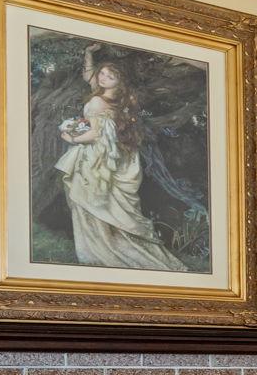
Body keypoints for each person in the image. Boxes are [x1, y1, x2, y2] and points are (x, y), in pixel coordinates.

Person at [53, 45, 187, 271]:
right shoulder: (117, 99)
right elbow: (90, 76)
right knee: (101, 205)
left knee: (92, 202)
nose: (103, 78)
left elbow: (95, 134)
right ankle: (105, 247)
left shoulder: (98, 102)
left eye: (110, 76)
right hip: (112, 155)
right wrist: (88, 54)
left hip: (97, 158)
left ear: (120, 81)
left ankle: (101, 251)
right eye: (102, 74)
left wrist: (70, 137)